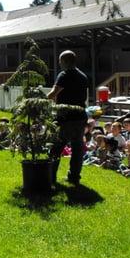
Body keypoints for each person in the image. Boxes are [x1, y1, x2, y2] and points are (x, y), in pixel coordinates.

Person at [47, 50, 89, 185]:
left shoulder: (64, 75)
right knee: (77, 149)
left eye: (60, 61)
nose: (59, 64)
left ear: (64, 61)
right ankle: (74, 177)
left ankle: (50, 177)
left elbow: (54, 93)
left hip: (65, 118)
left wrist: (40, 100)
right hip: (80, 117)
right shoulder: (83, 76)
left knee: (56, 148)